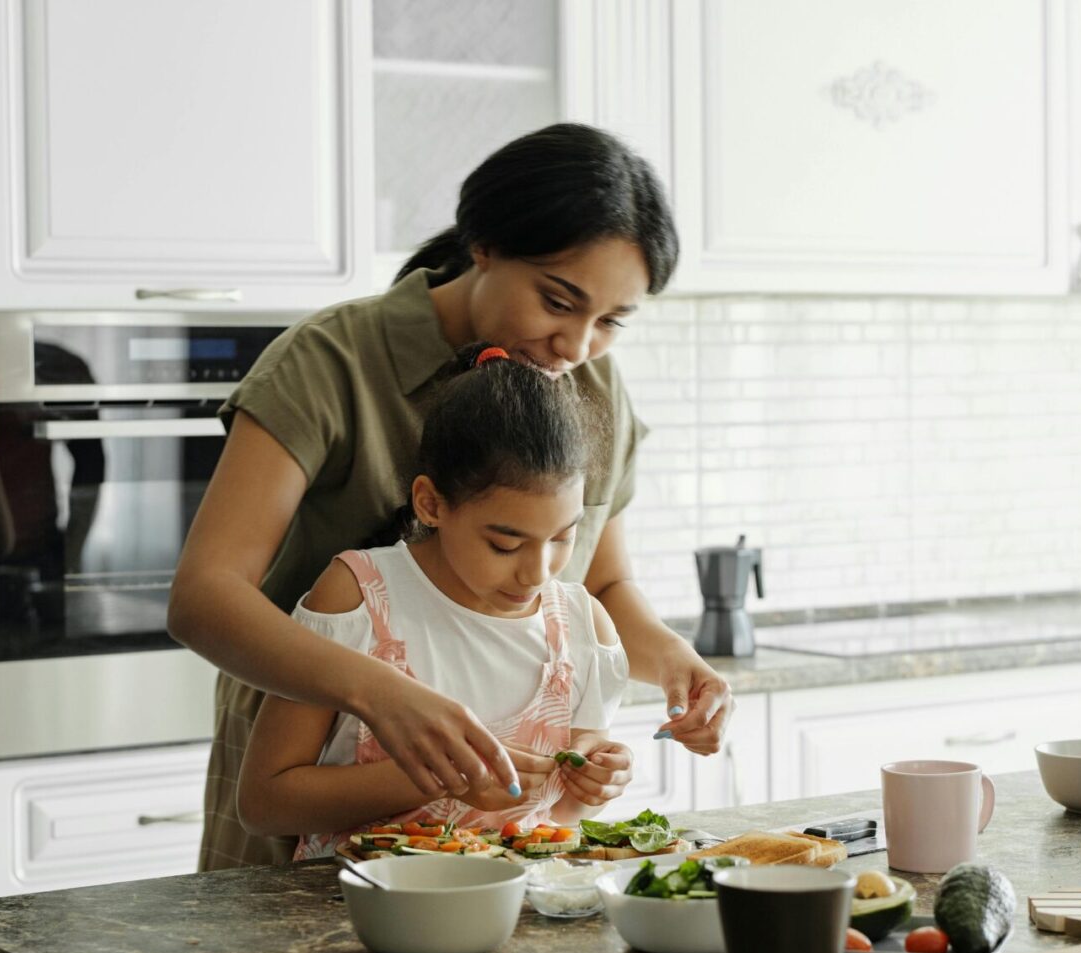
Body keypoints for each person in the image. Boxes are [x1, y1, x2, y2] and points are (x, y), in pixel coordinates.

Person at [169, 123, 734, 869]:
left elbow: (598, 583)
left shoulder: (589, 384)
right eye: (557, 301)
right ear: (485, 246)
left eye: (609, 322)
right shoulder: (330, 361)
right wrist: (381, 695)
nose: (577, 345)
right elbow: (204, 597)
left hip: (494, 839)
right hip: (310, 769)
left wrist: (671, 662)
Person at [238, 345, 631, 856]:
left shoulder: (582, 627)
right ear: (431, 503)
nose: (538, 572)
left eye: (563, 537)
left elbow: (562, 819)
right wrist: (439, 778)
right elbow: (264, 803)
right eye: (505, 544)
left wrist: (593, 786)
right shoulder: (359, 598)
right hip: (353, 915)